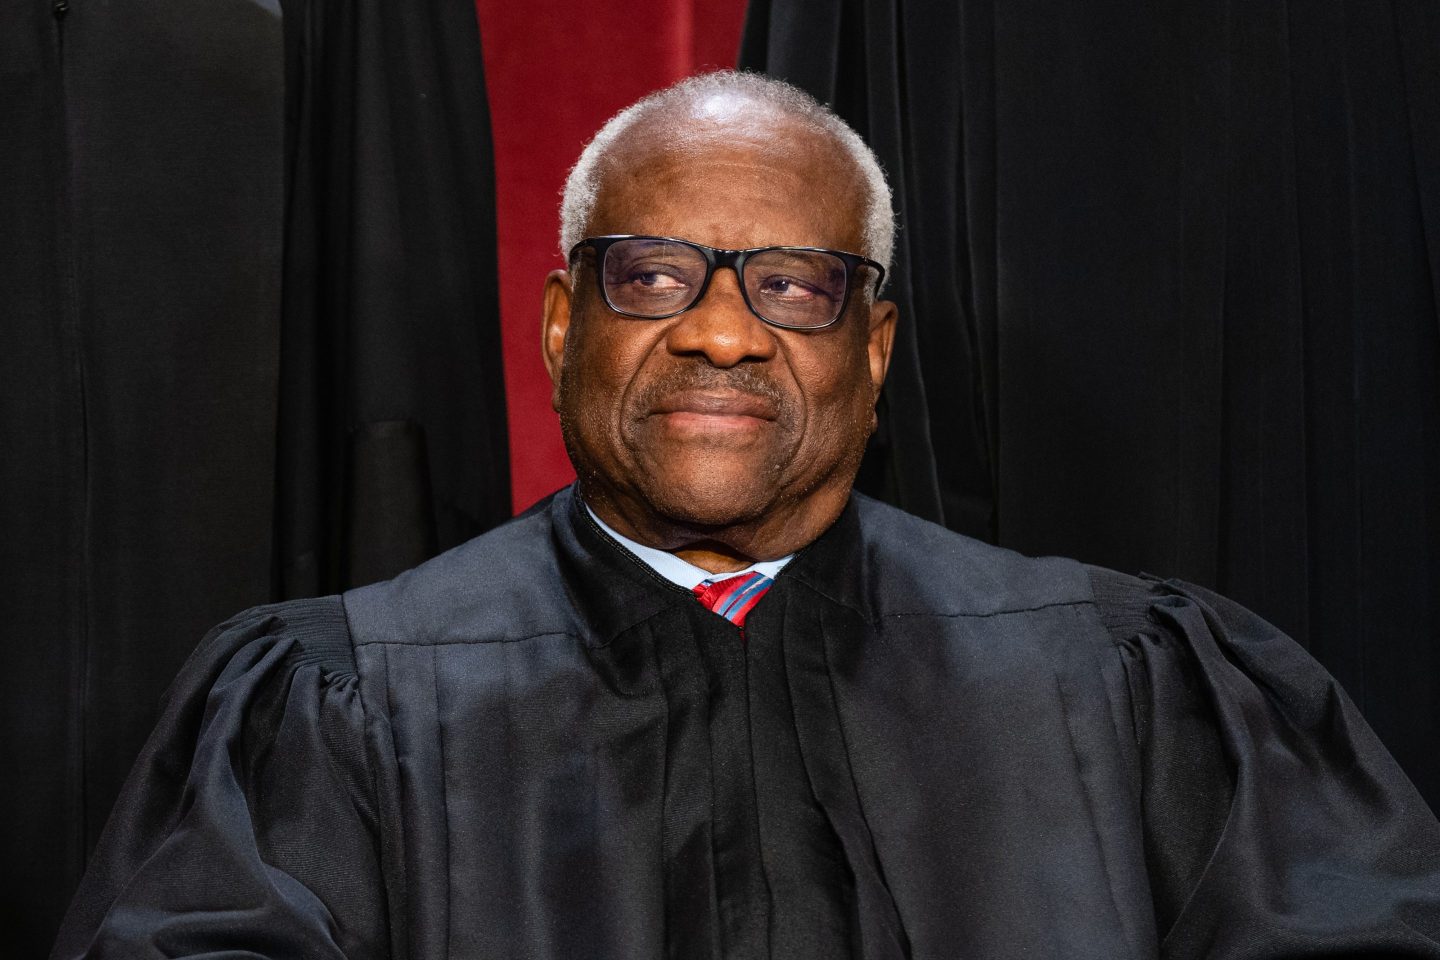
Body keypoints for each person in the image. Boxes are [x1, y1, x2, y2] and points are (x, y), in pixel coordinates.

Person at [52, 70, 1440, 960]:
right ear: (559, 327)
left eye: (793, 283)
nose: (722, 333)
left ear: (876, 350)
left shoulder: (1122, 688)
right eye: (652, 275)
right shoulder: (336, 704)